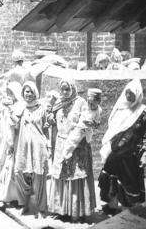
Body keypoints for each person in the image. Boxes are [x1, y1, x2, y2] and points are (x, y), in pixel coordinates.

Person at [49, 78, 96, 222]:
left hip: (77, 146)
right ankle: (62, 210)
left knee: (76, 177)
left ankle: (76, 212)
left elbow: (85, 123)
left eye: (67, 89)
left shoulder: (81, 103)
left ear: (73, 88)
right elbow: (55, 123)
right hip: (61, 143)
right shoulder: (57, 103)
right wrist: (51, 120)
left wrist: (74, 140)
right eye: (62, 89)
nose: (64, 92)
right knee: (62, 175)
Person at [98, 79, 146, 215]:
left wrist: (144, 152)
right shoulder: (120, 108)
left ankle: (130, 211)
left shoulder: (142, 113)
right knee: (111, 177)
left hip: (131, 153)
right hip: (114, 150)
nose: (129, 96)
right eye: (127, 93)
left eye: (132, 94)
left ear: (138, 95)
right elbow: (112, 129)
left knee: (129, 181)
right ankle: (112, 206)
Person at [14, 81, 49, 218]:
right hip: (23, 148)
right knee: (19, 173)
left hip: (38, 148)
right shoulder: (20, 108)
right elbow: (13, 127)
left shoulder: (42, 108)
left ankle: (41, 208)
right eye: (26, 91)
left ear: (36, 92)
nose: (28, 94)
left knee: (39, 177)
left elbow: (47, 129)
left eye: (31, 91)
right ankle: (24, 203)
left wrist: (49, 147)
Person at [0, 82, 24, 208]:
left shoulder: (20, 106)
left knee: (16, 168)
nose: (9, 95)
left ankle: (17, 196)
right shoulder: (7, 107)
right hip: (10, 141)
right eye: (8, 92)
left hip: (18, 140)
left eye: (11, 93)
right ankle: (6, 195)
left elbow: (16, 126)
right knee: (8, 167)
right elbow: (4, 127)